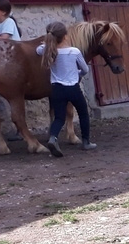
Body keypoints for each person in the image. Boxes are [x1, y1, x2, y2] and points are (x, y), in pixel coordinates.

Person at [35, 21, 95, 157]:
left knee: (59, 118)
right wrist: (77, 74)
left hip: (56, 89)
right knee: (83, 113)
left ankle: (53, 138)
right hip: (73, 88)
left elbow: (37, 50)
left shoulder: (47, 50)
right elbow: (84, 69)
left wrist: (46, 44)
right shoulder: (74, 51)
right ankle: (86, 142)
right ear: (66, 36)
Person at [0, 0, 24, 141]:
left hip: (14, 57)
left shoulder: (8, 22)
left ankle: (20, 129)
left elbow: (4, 39)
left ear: (3, 12)